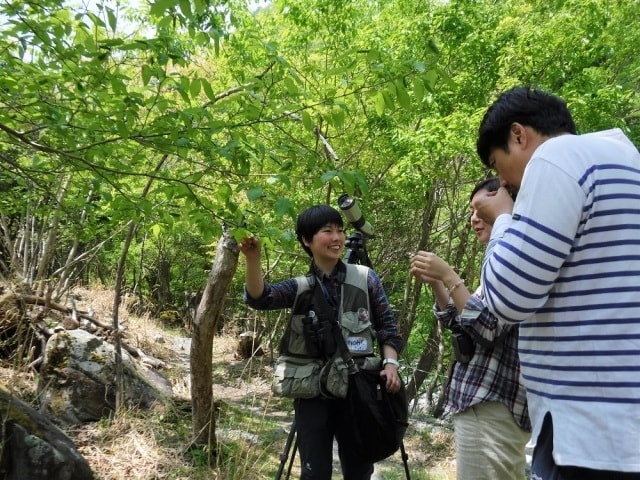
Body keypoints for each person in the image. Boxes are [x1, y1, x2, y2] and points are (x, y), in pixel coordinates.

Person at [473, 85, 640, 479]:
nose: (504, 182)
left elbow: (508, 297)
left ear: (519, 135)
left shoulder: (555, 157)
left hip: (586, 433)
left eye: (499, 166)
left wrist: (503, 221)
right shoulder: (626, 160)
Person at [239, 204, 404, 480]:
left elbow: (388, 328)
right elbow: (260, 298)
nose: (337, 237)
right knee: (314, 473)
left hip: (358, 388)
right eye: (327, 231)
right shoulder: (301, 287)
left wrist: (391, 364)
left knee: (359, 471)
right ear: (306, 240)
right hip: (313, 392)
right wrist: (252, 260)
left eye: (340, 230)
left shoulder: (366, 279)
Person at [410, 177, 530, 480]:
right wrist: (437, 282)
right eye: (471, 212)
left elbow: (487, 328)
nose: (473, 219)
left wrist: (450, 276)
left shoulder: (515, 257)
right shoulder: (498, 264)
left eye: (480, 209)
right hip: (485, 405)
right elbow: (459, 320)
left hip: (492, 404)